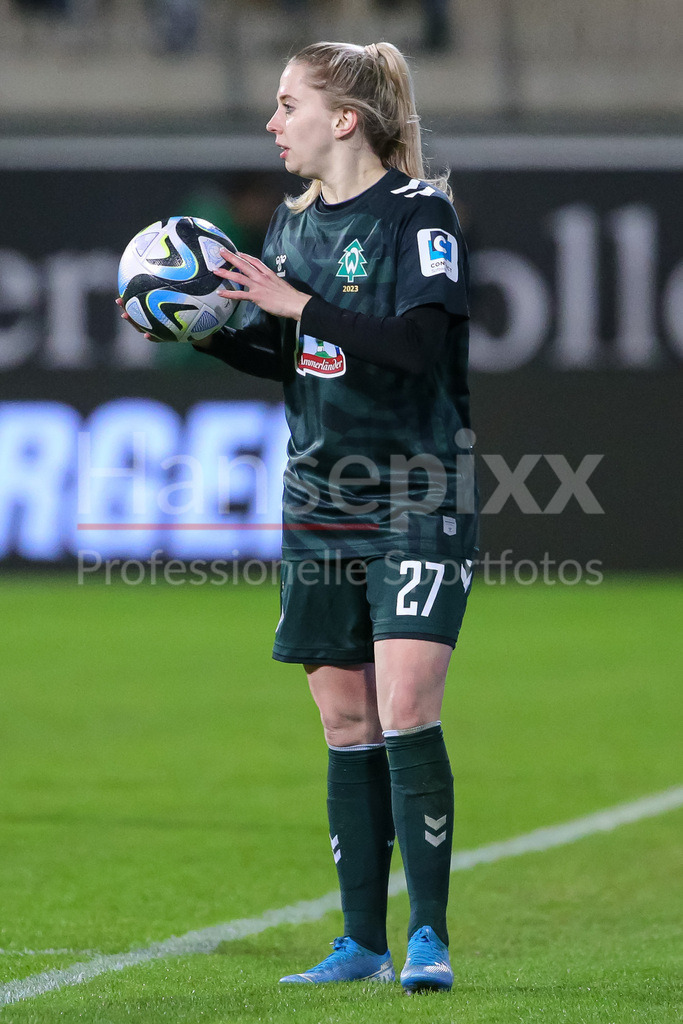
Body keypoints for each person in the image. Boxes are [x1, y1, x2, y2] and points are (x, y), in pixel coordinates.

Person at [119, 39, 477, 993]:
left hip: (415, 489)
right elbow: (298, 359)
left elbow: (412, 349)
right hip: (318, 497)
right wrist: (195, 322)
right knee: (346, 718)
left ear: (343, 119)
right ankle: (360, 942)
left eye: (287, 105)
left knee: (405, 706)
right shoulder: (287, 228)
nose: (273, 124)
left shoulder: (418, 216)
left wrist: (294, 301)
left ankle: (429, 935)